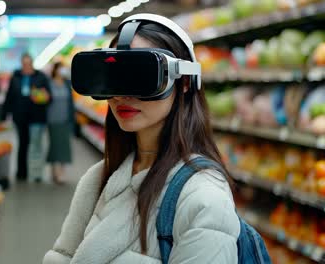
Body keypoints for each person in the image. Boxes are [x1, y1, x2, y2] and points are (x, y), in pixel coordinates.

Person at [43, 14, 240, 263]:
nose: (121, 95)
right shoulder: (96, 179)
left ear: (185, 82)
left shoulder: (203, 198)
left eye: (141, 75)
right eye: (112, 77)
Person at [1, 53, 51, 182]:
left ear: (32, 64)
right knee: (22, 145)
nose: (26, 66)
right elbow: (9, 96)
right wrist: (4, 115)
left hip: (37, 116)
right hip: (20, 116)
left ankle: (36, 174)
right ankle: (21, 173)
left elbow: (49, 97)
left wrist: (41, 96)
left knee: (36, 145)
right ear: (21, 64)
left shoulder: (41, 77)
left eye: (29, 64)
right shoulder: (16, 77)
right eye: (24, 64)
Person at [46, 62, 75, 185]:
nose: (62, 70)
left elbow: (70, 103)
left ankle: (61, 172)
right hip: (52, 119)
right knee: (54, 146)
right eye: (60, 68)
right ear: (55, 70)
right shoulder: (49, 84)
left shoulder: (67, 84)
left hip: (65, 119)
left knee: (64, 147)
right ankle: (55, 170)